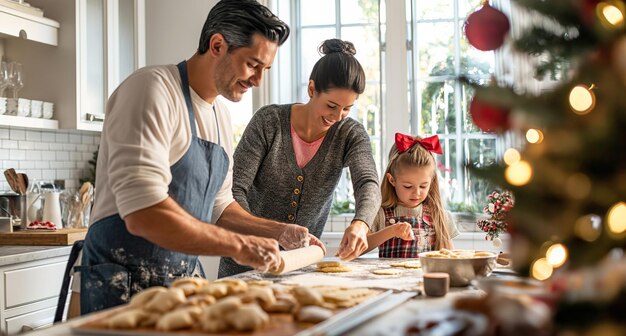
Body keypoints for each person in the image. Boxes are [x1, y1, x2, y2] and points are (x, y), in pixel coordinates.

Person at [77, 0, 323, 315]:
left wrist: (277, 231)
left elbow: (219, 206)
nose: (258, 80)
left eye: (266, 69)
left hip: (180, 283)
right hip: (124, 284)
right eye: (252, 64)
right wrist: (239, 246)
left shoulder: (219, 115)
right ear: (217, 45)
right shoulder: (151, 90)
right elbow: (143, 212)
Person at [220, 39, 381, 277]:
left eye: (347, 108)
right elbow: (234, 190)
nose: (338, 117)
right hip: (244, 262)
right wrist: (262, 234)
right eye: (331, 105)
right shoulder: (269, 122)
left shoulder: (350, 134)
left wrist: (361, 223)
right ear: (312, 89)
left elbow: (368, 182)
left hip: (299, 270)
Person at [361, 133, 459, 258]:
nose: (416, 193)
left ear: (432, 181)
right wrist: (391, 231)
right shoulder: (380, 214)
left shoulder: (439, 215)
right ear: (392, 180)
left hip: (423, 277)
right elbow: (358, 248)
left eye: (423, 186)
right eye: (408, 186)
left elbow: (450, 258)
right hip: (390, 277)